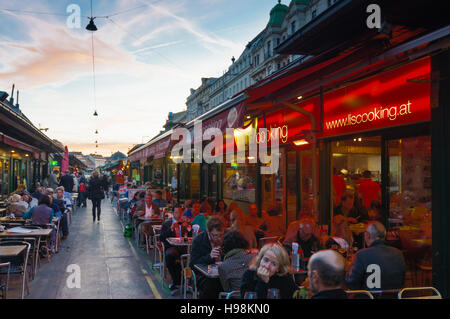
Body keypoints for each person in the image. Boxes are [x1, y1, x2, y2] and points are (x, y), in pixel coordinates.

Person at [345, 221, 406, 290]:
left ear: (368, 235)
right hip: (395, 296)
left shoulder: (361, 255)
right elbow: (402, 282)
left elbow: (350, 283)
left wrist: (352, 264)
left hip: (369, 296)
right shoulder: (398, 254)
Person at [189, 216, 226, 299]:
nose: (218, 238)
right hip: (203, 275)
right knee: (212, 285)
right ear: (208, 231)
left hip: (222, 273)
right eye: (215, 235)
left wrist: (224, 254)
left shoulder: (225, 239)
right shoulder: (199, 240)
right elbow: (193, 263)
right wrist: (209, 256)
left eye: (221, 235)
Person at [160, 207, 191, 292]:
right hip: (172, 247)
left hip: (184, 247)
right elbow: (161, 238)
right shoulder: (167, 224)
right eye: (177, 212)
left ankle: (189, 281)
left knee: (196, 254)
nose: (179, 215)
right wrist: (171, 229)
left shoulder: (184, 223)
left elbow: (191, 236)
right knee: (170, 256)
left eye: (180, 213)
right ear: (173, 213)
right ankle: (176, 281)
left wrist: (188, 228)